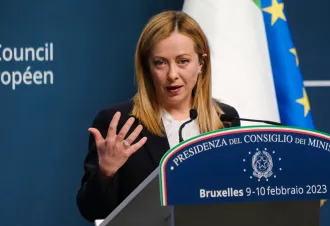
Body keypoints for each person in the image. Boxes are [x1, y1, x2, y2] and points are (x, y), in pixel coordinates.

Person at [76, 10, 241, 222]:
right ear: (147, 67)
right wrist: (106, 172)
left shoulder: (226, 118)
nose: (172, 75)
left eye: (182, 61)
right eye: (160, 63)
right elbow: (92, 211)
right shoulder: (118, 123)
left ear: (201, 63)